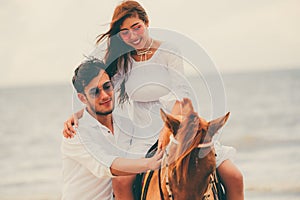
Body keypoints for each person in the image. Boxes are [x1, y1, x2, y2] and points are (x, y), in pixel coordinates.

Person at [64, 1, 244, 199]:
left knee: (234, 176)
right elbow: (104, 93)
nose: (132, 36)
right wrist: (77, 114)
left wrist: (167, 129)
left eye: (136, 27)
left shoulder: (169, 50)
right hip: (143, 133)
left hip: (179, 126)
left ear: (146, 22)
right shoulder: (122, 61)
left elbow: (181, 94)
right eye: (124, 32)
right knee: (121, 182)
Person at [61, 58, 163, 200]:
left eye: (107, 87)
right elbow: (107, 165)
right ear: (82, 98)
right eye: (95, 92)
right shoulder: (76, 133)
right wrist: (149, 163)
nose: (104, 96)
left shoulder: (127, 126)